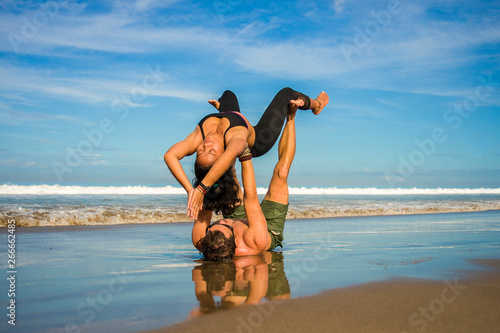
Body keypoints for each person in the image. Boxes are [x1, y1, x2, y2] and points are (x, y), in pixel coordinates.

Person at [164, 88, 329, 220]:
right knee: (287, 94)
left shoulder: (198, 136)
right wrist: (202, 188)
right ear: (223, 152)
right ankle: (317, 105)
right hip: (258, 141)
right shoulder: (234, 140)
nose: (206, 145)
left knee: (228, 94)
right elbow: (230, 154)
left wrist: (191, 190)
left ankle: (224, 111)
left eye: (201, 151)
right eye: (212, 151)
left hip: (230, 117)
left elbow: (169, 155)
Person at [191, 99, 302, 261]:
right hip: (268, 228)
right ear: (235, 237)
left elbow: (207, 201)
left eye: (217, 224)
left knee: (230, 175)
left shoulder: (200, 238)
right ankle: (291, 117)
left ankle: (229, 124)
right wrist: (245, 157)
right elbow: (251, 197)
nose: (222, 219)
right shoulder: (254, 240)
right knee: (281, 174)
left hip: (242, 219)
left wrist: (203, 184)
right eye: (226, 224)